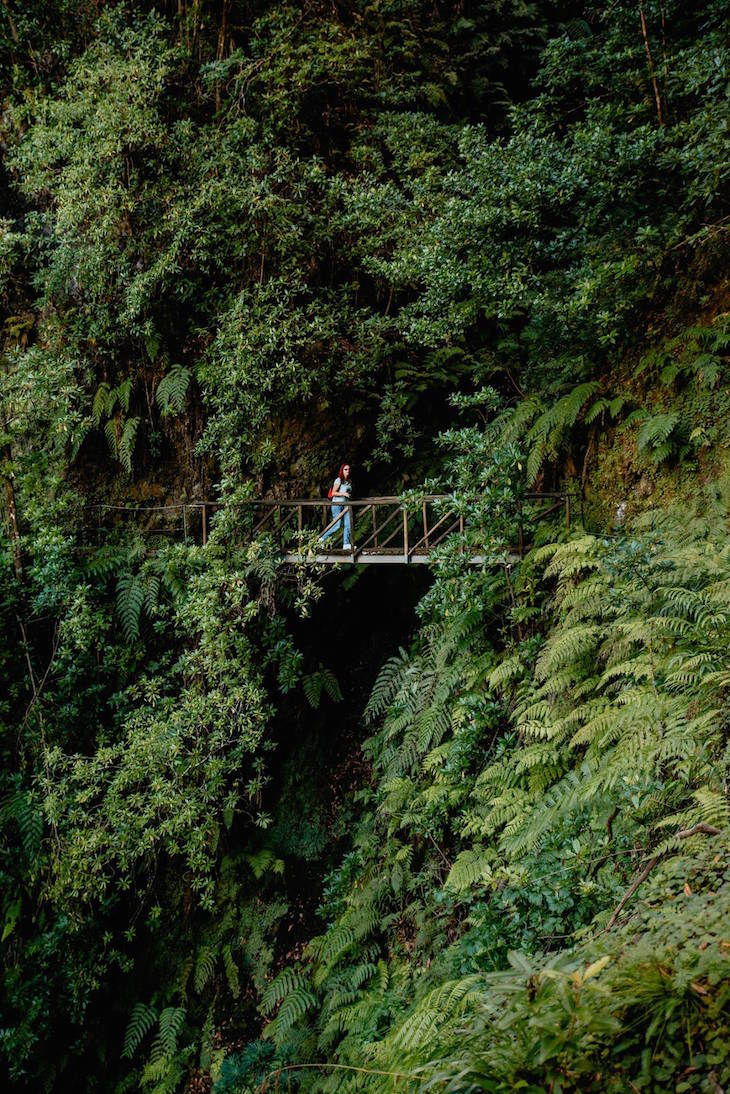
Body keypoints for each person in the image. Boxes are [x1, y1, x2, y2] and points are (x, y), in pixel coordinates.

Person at [319, 463, 355, 550]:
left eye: (349, 469)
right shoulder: (338, 480)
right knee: (337, 525)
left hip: (346, 505)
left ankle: (346, 544)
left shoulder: (349, 481)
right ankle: (322, 539)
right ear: (342, 471)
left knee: (348, 524)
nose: (348, 471)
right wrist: (343, 493)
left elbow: (348, 493)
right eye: (345, 469)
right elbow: (333, 493)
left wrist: (348, 496)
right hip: (337, 505)